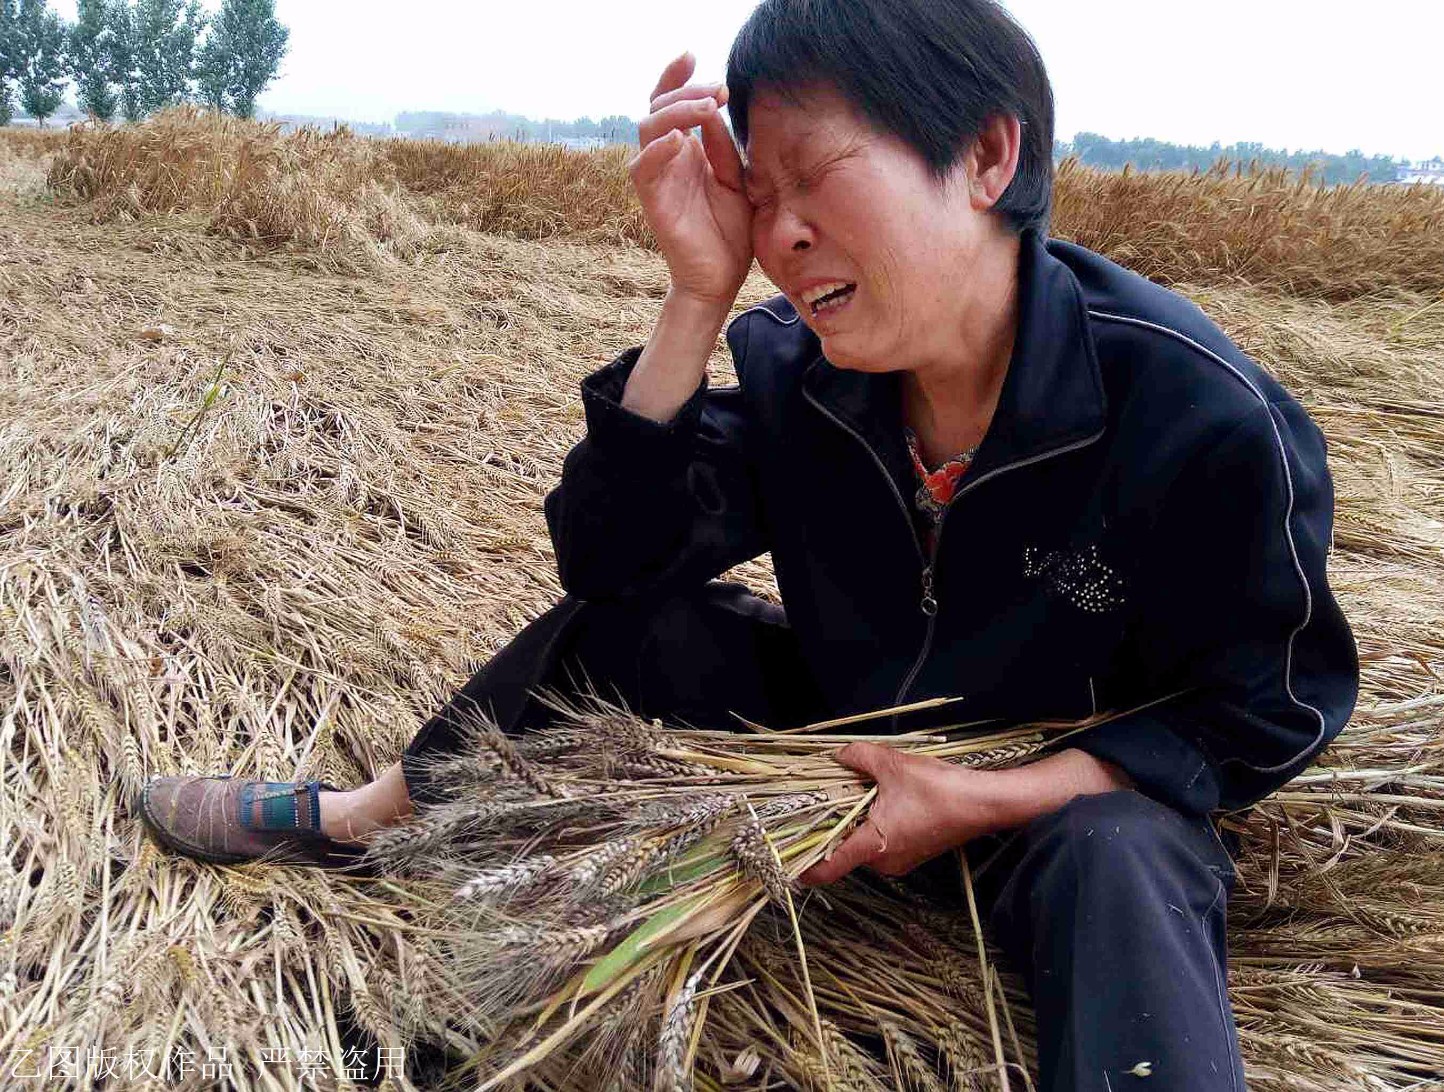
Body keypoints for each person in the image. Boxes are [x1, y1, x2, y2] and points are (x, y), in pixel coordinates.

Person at [139, 1, 1360, 1088]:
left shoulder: (1188, 410)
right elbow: (615, 561)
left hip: (1044, 800)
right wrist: (693, 297)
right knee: (638, 625)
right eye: (756, 198)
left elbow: (1269, 703)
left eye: (810, 176)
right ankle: (364, 820)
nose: (780, 234)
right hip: (837, 749)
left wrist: (990, 796)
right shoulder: (803, 373)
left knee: (1122, 856)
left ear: (986, 155)